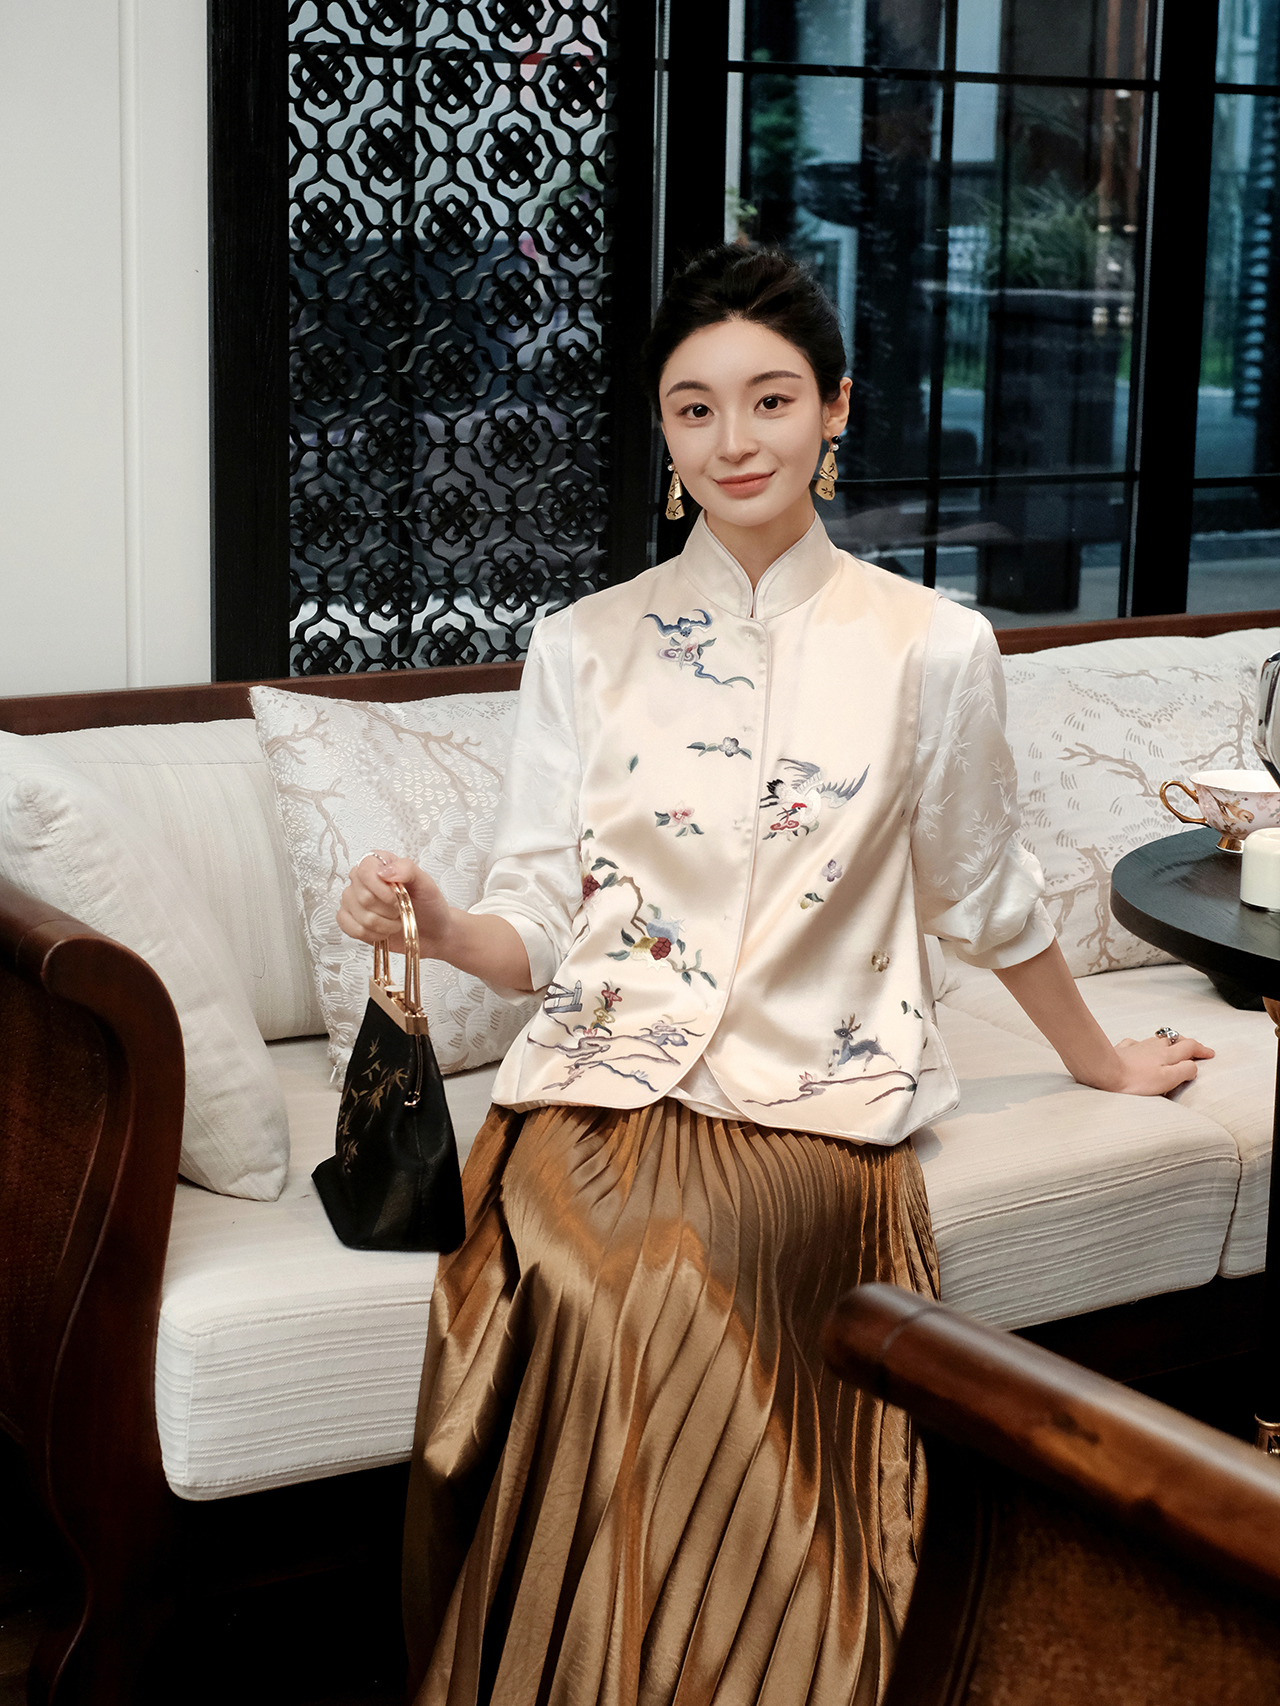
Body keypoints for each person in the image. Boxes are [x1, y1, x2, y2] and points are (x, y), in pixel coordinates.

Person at [337, 245, 1212, 1706]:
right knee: (594, 1266)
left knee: (691, 1265)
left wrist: (1102, 1060)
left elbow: (983, 893)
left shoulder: (932, 648)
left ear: (836, 408)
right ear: (662, 430)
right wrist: (431, 919)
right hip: (598, 1087)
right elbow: (534, 921)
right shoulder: (581, 647)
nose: (733, 440)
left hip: (818, 1094)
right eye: (694, 408)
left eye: (770, 398)